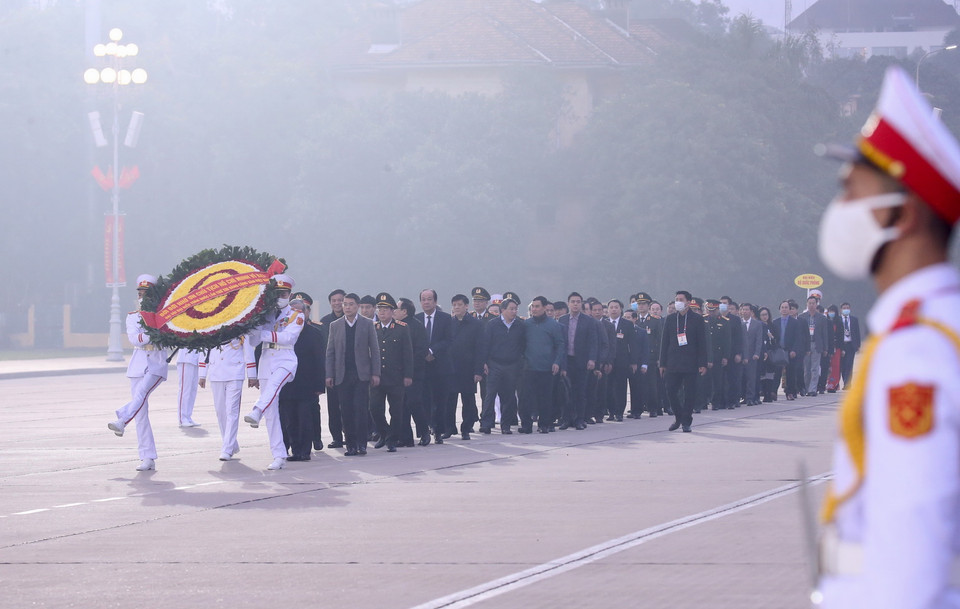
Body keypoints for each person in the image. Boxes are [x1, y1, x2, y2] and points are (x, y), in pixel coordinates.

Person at [815, 65, 960, 608]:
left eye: (852, 191)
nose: (841, 208)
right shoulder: (936, 328)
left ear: (905, 214)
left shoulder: (915, 349)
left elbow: (911, 529)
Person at [107, 274, 169, 471]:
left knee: (141, 395)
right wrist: (153, 332)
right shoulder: (133, 316)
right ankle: (147, 456)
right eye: (141, 293)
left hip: (156, 364)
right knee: (141, 412)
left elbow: (167, 336)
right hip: (137, 364)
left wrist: (155, 330)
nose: (142, 297)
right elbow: (136, 339)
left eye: (146, 293)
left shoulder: (164, 314)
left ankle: (122, 418)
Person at [243, 274, 304, 470]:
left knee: (275, 386)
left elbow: (288, 337)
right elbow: (253, 343)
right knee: (272, 412)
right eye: (277, 293)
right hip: (266, 360)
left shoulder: (297, 314)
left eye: (284, 293)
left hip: (285, 359)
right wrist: (250, 328)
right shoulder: (265, 315)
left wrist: (262, 333)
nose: (280, 296)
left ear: (290, 294)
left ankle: (256, 410)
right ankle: (279, 455)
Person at [325, 293, 381, 456]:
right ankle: (350, 445)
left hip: (361, 375)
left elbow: (375, 350)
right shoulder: (335, 326)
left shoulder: (367, 324)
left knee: (361, 409)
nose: (347, 307)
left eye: (350, 304)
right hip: (342, 375)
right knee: (346, 411)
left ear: (357, 306)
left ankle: (361, 444)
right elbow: (330, 352)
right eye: (345, 304)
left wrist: (375, 372)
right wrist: (329, 374)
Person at [277, 297, 326, 462]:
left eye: (300, 311)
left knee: (305, 419)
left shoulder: (314, 334)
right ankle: (295, 449)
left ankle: (304, 451)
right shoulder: (281, 332)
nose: (296, 314)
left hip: (307, 385)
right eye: (293, 311)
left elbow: (320, 360)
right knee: (289, 420)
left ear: (306, 313)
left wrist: (320, 384)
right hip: (287, 384)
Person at [199, 334, 257, 461]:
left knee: (232, 411)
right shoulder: (211, 323)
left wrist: (252, 374)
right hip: (216, 371)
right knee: (221, 412)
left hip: (235, 371)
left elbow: (248, 350)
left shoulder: (240, 324)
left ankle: (227, 449)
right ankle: (232, 443)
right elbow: (205, 349)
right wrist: (202, 374)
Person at [369, 293, 413, 452]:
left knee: (396, 410)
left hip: (396, 377)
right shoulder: (373, 328)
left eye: (386, 309)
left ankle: (392, 439)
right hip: (377, 377)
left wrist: (408, 375)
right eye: (380, 309)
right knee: (374, 408)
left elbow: (408, 353)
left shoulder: (401, 328)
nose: (382, 312)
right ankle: (384, 432)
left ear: (392, 311)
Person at [659, 290, 708, 432]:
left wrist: (702, 363)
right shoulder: (670, 319)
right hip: (672, 362)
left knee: (690, 393)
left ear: (688, 302)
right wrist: (662, 363)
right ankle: (678, 416)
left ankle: (686, 420)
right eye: (676, 299)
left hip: (691, 362)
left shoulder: (697, 319)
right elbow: (665, 342)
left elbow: (702, 343)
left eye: (681, 299)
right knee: (671, 391)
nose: (678, 302)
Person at [478, 294, 526, 434]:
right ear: (502, 310)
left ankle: (505, 425)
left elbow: (523, 345)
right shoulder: (492, 324)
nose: (514, 311)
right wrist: (484, 362)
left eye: (515, 309)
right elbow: (485, 345)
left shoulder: (519, 325)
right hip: (494, 364)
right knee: (490, 395)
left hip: (512, 365)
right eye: (511, 309)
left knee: (508, 396)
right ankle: (486, 423)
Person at [520, 296, 565, 433]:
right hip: (528, 368)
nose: (534, 309)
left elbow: (560, 345)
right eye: (533, 306)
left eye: (537, 306)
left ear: (545, 308)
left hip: (547, 368)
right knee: (525, 398)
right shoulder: (526, 324)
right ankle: (526, 425)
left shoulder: (554, 325)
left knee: (545, 398)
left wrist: (557, 362)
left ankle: (544, 424)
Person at [557, 292, 599, 430]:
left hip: (581, 361)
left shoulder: (589, 320)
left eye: (578, 301)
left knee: (580, 391)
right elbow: (559, 342)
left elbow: (594, 342)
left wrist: (592, 359)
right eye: (573, 301)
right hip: (566, 360)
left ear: (581, 304)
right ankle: (566, 419)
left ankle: (580, 419)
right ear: (568, 303)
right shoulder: (562, 320)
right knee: (565, 392)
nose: (575, 304)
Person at [417, 289, 454, 443]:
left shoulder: (445, 318)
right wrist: (424, 352)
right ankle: (424, 431)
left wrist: (432, 351)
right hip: (422, 366)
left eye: (429, 299)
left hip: (441, 366)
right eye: (424, 299)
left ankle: (438, 431)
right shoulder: (416, 319)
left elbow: (449, 340)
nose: (426, 302)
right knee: (423, 401)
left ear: (435, 301)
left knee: (440, 401)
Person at [395, 298, 432, 446]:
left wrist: (408, 368)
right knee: (400, 405)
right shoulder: (395, 326)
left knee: (413, 402)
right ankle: (405, 437)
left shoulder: (416, 326)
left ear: (404, 311)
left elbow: (421, 350)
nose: (393, 312)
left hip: (414, 373)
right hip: (397, 374)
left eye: (396, 309)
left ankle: (424, 431)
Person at [448, 294, 483, 440]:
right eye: (454, 305)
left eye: (459, 305)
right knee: (450, 400)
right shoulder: (449, 323)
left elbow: (480, 349)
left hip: (468, 369)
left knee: (468, 400)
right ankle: (449, 428)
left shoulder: (475, 324)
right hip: (451, 368)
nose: (456, 307)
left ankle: (466, 428)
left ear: (466, 306)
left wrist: (478, 370)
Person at [605, 299, 644, 421]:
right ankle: (610, 412)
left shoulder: (627, 324)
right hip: (607, 361)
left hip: (622, 361)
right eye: (611, 307)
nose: (614, 309)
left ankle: (619, 412)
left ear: (620, 309)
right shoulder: (604, 324)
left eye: (616, 307)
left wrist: (633, 362)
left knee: (620, 387)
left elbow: (632, 344)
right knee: (608, 387)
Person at [320, 289, 346, 449]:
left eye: (340, 300)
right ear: (330, 303)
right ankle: (337, 437)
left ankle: (354, 435)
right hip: (333, 372)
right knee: (334, 406)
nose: (337, 303)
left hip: (350, 371)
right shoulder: (324, 323)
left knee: (351, 406)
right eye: (334, 300)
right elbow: (324, 350)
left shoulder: (352, 320)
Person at [798, 295, 829, 397]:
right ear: (807, 304)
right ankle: (806, 388)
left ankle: (812, 389)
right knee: (806, 369)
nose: (811, 305)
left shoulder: (822, 318)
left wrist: (825, 348)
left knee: (815, 368)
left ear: (816, 304)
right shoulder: (802, 317)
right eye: (809, 303)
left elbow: (825, 334)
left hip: (816, 344)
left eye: (813, 303)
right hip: (805, 344)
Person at [739, 302, 764, 406]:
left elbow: (759, 340)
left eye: (747, 310)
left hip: (752, 355)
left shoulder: (757, 324)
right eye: (743, 310)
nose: (745, 311)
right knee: (741, 378)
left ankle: (750, 398)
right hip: (740, 355)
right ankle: (742, 396)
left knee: (751, 378)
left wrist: (757, 353)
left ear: (751, 312)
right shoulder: (738, 323)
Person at [838, 302, 862, 389]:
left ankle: (847, 384)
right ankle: (842, 381)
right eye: (844, 308)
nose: (846, 309)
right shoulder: (838, 319)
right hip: (841, 345)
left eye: (847, 308)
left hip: (851, 345)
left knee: (849, 364)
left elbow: (857, 333)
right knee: (842, 365)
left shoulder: (854, 319)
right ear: (841, 309)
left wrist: (858, 345)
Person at [175, 348, 201, 427]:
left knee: (192, 390)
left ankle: (188, 417)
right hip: (186, 358)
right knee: (185, 390)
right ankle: (182, 418)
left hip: (196, 358)